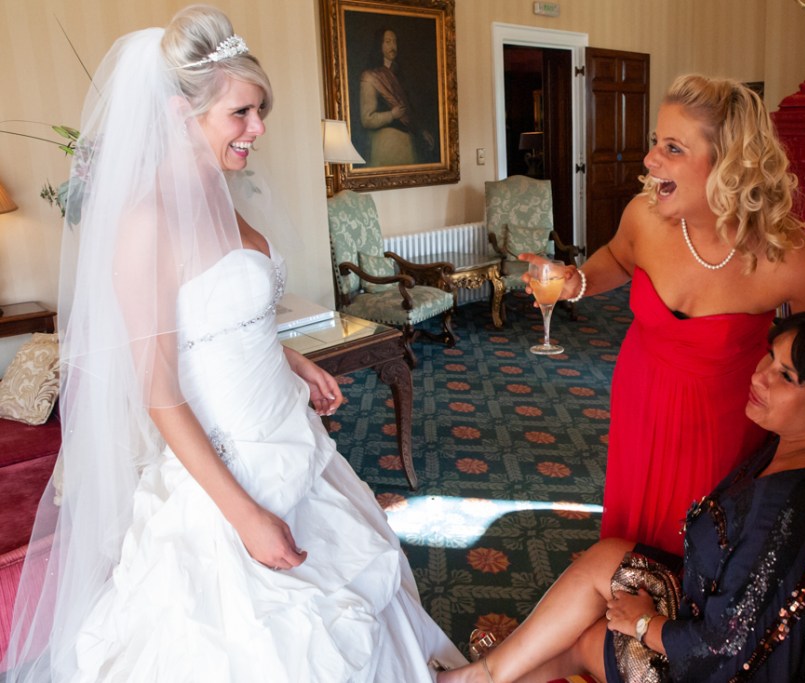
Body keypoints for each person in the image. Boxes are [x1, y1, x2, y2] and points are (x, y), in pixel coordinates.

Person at [3, 6, 464, 681]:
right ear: (176, 114)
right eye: (242, 113)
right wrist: (245, 515)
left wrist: (290, 357)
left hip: (291, 439)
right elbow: (159, 393)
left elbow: (223, 322)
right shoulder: (145, 224)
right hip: (228, 475)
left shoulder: (216, 194)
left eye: (260, 110)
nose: (259, 128)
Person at [439, 310, 805, 683]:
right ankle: (485, 673)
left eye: (785, 376)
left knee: (591, 638)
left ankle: (484, 675)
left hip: (743, 668)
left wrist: (643, 622)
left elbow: (724, 650)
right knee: (608, 558)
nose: (759, 375)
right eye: (770, 356)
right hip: (745, 621)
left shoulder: (785, 513)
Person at [524, 74, 805, 567]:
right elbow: (619, 255)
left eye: (672, 148)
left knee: (701, 557)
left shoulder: (786, 255)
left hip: (720, 431)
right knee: (629, 551)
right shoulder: (644, 217)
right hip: (640, 402)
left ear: (730, 165)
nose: (651, 159)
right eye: (656, 142)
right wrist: (579, 282)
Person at [359, 27, 436, 166]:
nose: (392, 46)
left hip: (408, 145)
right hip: (385, 145)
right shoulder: (370, 77)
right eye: (387, 42)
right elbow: (367, 119)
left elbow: (410, 110)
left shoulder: (401, 73)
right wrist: (392, 115)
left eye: (394, 42)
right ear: (379, 45)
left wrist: (421, 131)